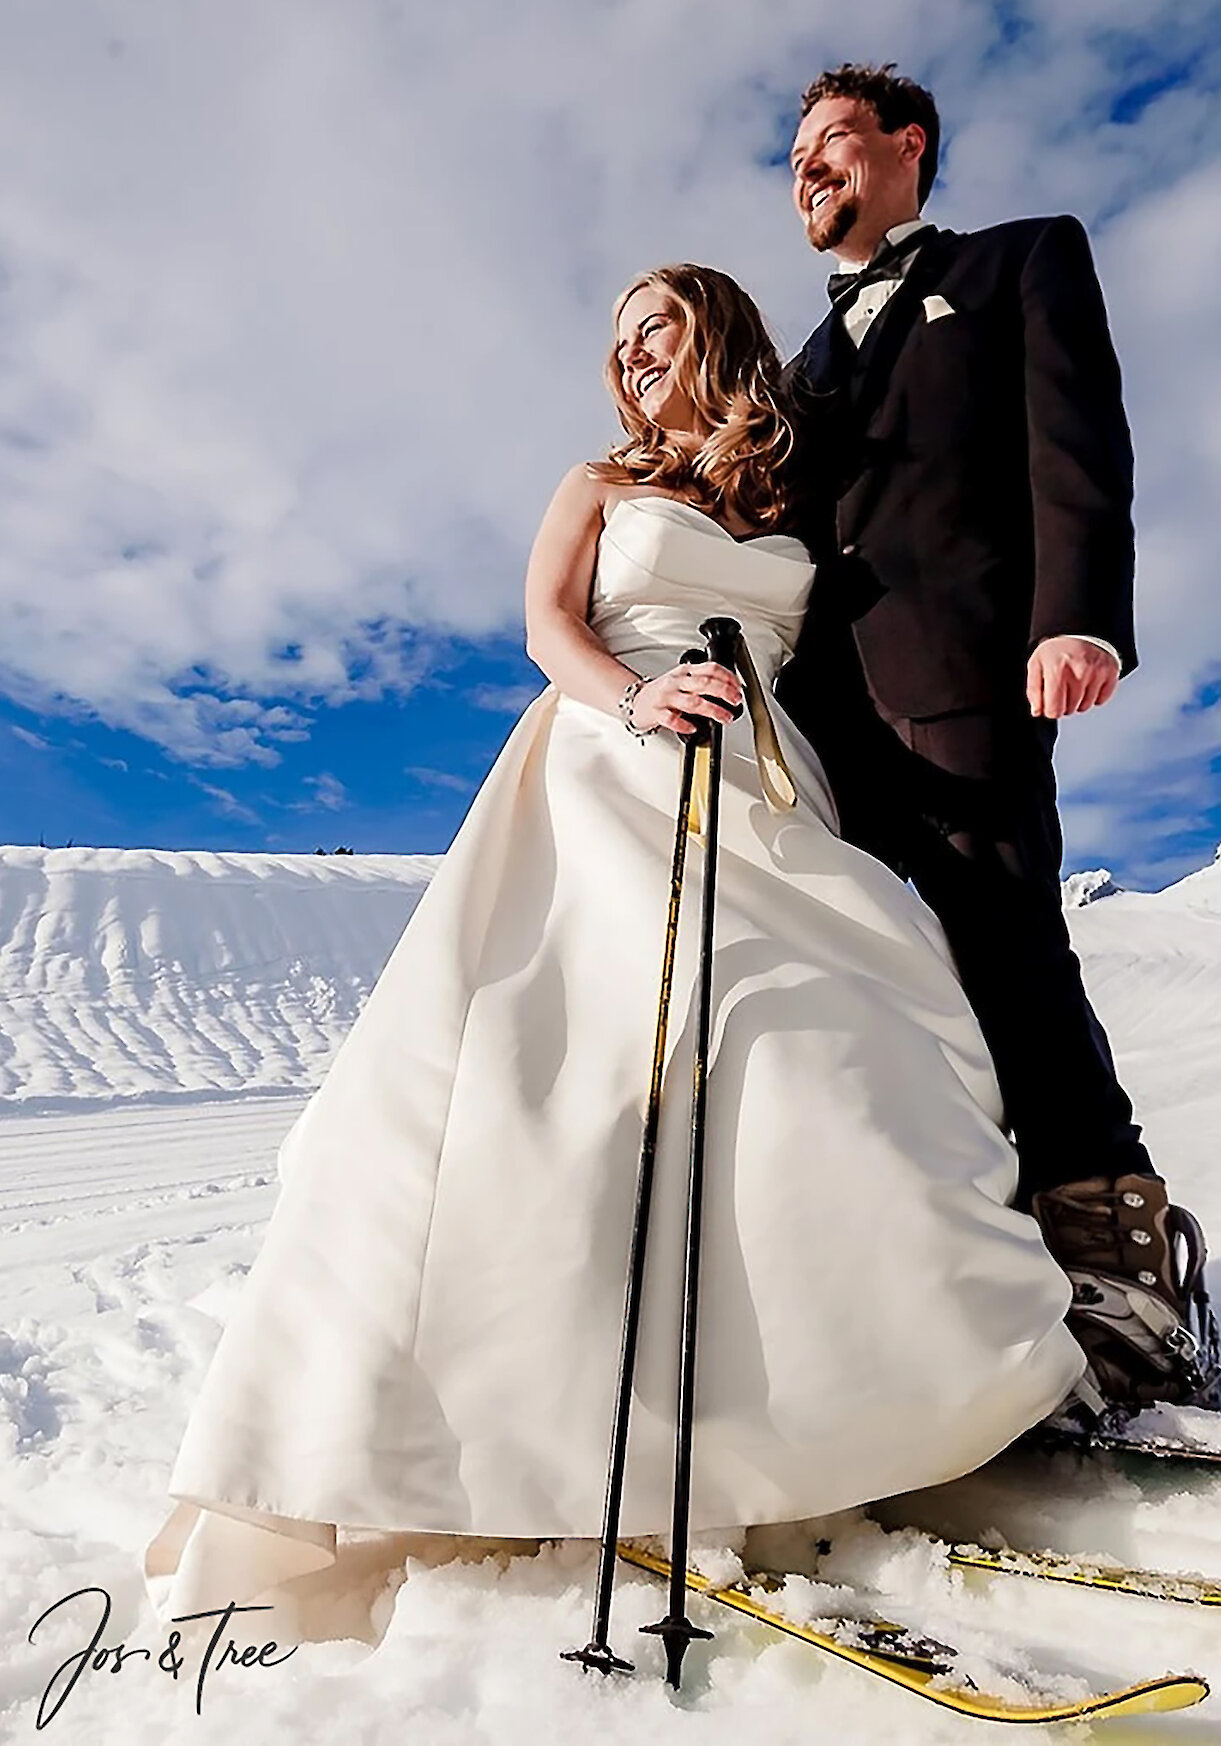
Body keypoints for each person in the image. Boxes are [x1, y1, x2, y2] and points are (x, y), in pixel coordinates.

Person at [141, 263, 1087, 1648]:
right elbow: (547, 629)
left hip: (766, 785)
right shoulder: (594, 482)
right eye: (617, 339)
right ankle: (552, 1447)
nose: (632, 354)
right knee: (571, 1088)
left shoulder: (787, 501)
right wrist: (640, 699)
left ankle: (845, 1413)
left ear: (715, 329)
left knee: (836, 1047)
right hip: (612, 764)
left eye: (656, 325)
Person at [778, 63, 1220, 1413]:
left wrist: (1075, 615)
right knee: (829, 996)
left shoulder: (1023, 262)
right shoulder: (793, 374)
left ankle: (1129, 1281)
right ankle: (911, 1293)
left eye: (836, 142)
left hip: (969, 677)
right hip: (816, 732)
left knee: (1010, 956)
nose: (811, 168)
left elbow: (1077, 446)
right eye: (796, 154)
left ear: (908, 149)